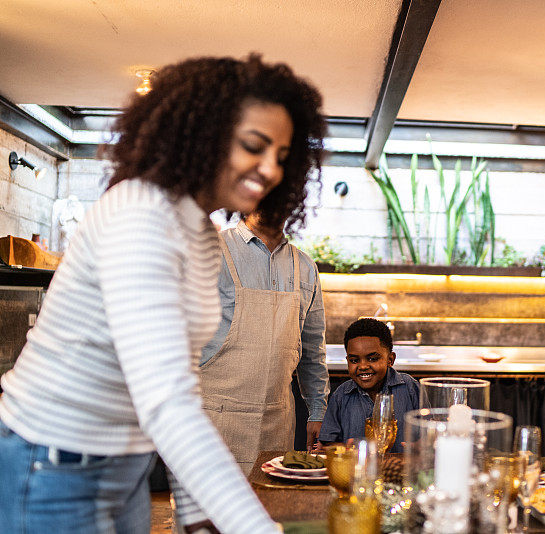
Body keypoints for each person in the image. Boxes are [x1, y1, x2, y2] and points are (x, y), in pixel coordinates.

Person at [0, 54, 325, 534]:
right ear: (203, 135)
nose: (272, 169)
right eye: (255, 146)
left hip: (125, 464)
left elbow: (182, 382)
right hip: (51, 462)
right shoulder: (141, 213)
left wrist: (194, 513)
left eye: (281, 155)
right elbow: (166, 403)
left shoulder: (203, 235)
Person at [199, 208, 330, 469]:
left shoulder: (304, 267)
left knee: (270, 507)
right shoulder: (210, 252)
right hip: (212, 419)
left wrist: (317, 411)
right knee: (209, 509)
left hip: (276, 422)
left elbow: (313, 349)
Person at [318, 318, 420, 453]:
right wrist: (346, 448)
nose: (363, 366)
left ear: (390, 360)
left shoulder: (410, 388)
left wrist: (421, 446)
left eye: (372, 359)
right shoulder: (341, 395)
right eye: (354, 360)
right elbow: (326, 445)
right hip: (355, 471)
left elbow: (431, 433)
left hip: (401, 471)